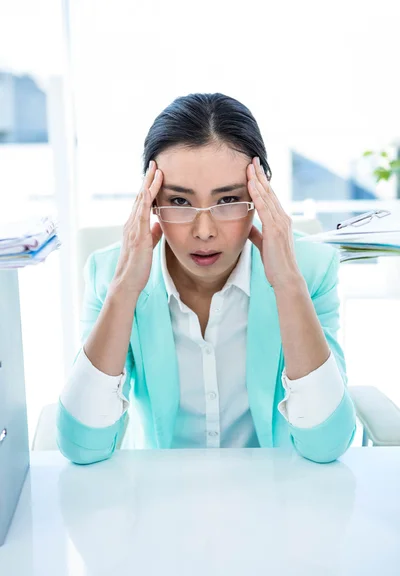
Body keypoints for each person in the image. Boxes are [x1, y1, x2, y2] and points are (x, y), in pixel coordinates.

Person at [57, 93, 356, 465]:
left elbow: (326, 445)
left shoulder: (310, 270)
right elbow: (82, 447)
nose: (204, 231)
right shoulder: (108, 276)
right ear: (149, 201)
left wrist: (288, 285)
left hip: (275, 498)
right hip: (160, 497)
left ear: (260, 196)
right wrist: (124, 292)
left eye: (228, 199)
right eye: (179, 202)